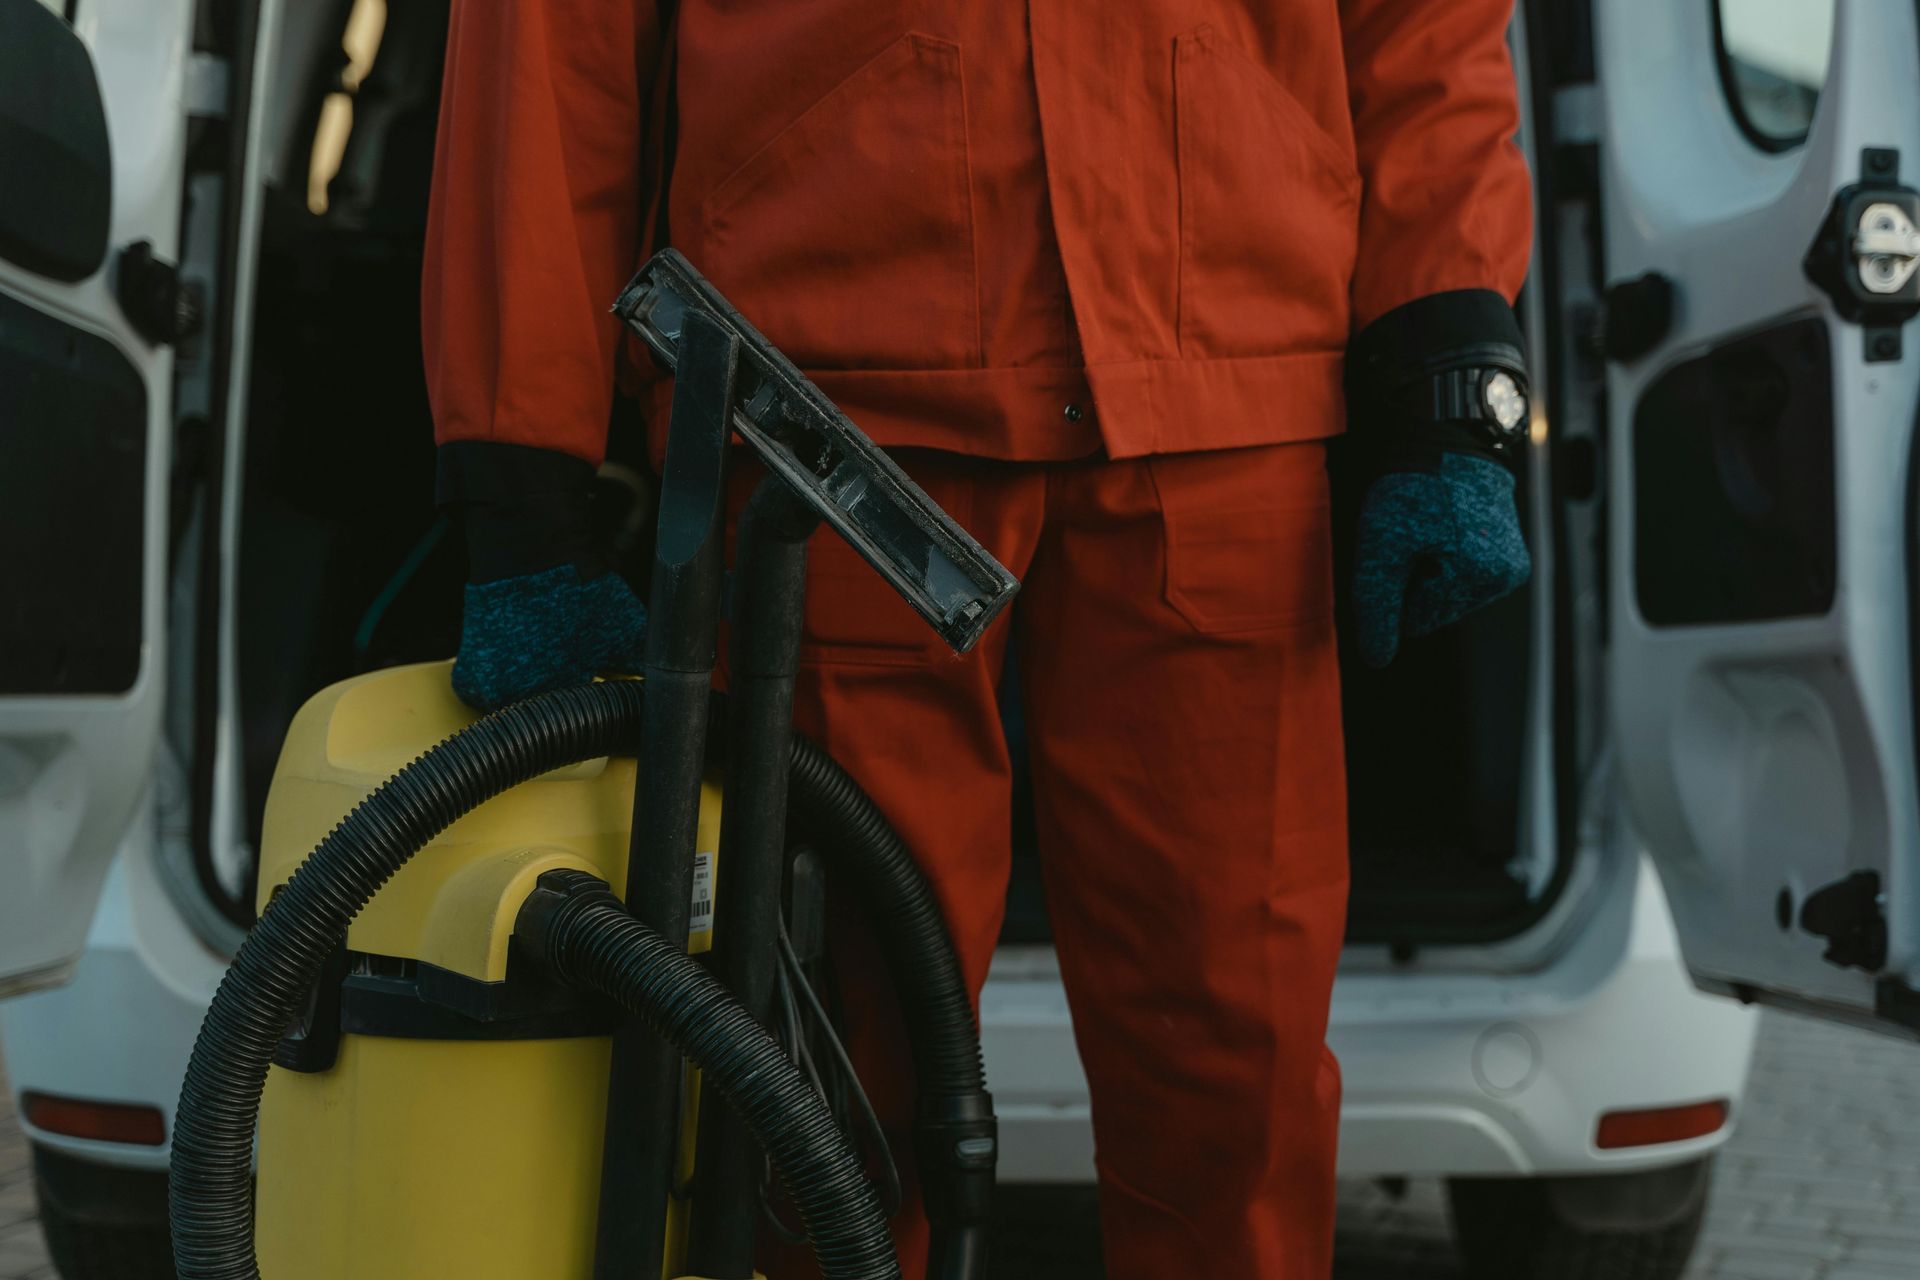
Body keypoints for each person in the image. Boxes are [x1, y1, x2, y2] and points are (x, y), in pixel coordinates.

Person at [422, 2, 1532, 1274]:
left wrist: (1448, 358)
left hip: (1221, 407)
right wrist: (524, 481)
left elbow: (1426, 28)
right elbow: (549, 45)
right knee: (831, 1066)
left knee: (1239, 1055)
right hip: (834, 426)